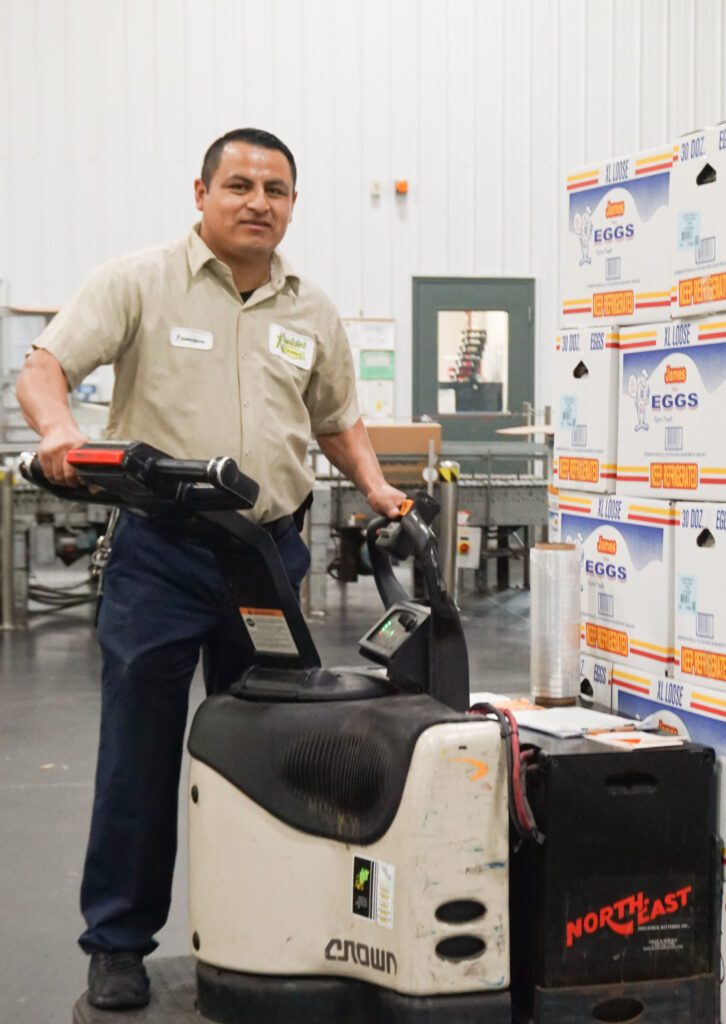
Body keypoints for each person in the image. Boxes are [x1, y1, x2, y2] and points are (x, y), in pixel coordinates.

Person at [16, 128, 406, 1010]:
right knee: (139, 754)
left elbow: (336, 416)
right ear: (200, 194)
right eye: (238, 184)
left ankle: (267, 927)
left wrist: (377, 487)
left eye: (275, 188)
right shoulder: (138, 282)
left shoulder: (312, 310)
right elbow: (45, 366)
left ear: (293, 204)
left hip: (268, 558)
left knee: (271, 748)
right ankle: (117, 942)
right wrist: (57, 431)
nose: (257, 201)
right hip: (162, 554)